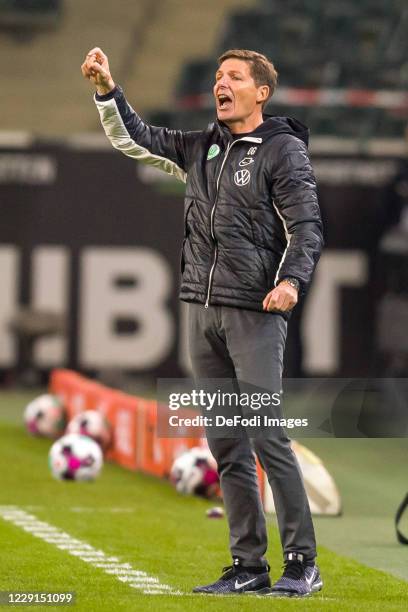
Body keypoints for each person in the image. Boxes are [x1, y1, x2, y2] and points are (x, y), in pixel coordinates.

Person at [81, 47, 324, 597]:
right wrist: (106, 91)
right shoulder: (201, 147)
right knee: (226, 445)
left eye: (235, 77)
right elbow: (134, 137)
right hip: (201, 310)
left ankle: (303, 562)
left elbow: (306, 226)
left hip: (254, 314)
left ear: (261, 92)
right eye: (218, 76)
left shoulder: (283, 151)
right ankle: (248, 566)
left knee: (266, 437)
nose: (222, 83)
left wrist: (291, 282)